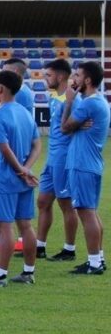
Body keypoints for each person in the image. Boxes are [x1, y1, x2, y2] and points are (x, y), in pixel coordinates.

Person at [0, 70, 41, 286]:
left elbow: (4, 149)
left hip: (7, 178)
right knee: (26, 226)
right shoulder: (25, 113)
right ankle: (28, 272)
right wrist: (27, 169)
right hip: (24, 179)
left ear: (2, 89)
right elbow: (37, 145)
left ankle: (0, 275)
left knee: (5, 227)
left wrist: (20, 170)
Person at [60, 60, 110, 275]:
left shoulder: (88, 104)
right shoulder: (99, 101)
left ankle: (94, 263)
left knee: (85, 212)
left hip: (82, 163)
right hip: (92, 163)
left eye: (78, 75)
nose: (75, 79)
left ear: (87, 80)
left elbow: (65, 128)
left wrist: (69, 102)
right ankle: (98, 258)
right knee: (92, 212)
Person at [36, 58, 78, 262]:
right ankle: (39, 246)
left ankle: (69, 249)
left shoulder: (73, 100)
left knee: (66, 204)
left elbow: (76, 126)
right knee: (43, 201)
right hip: (51, 158)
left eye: (49, 75)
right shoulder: (54, 98)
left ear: (61, 76)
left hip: (63, 158)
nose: (46, 79)